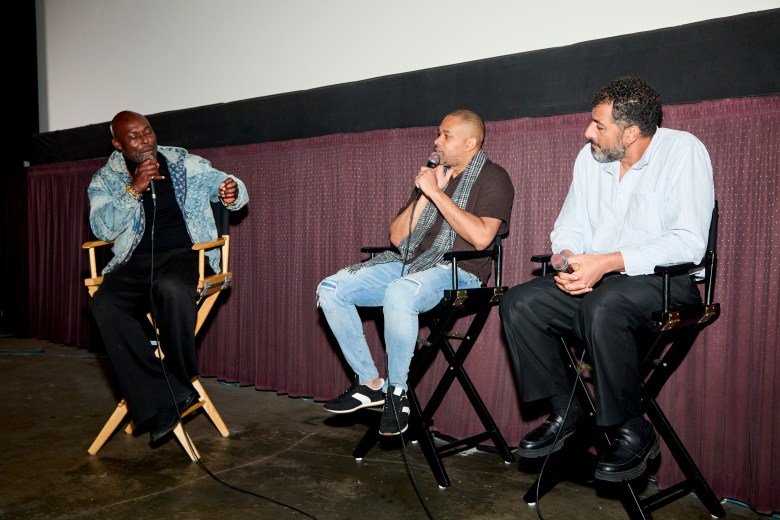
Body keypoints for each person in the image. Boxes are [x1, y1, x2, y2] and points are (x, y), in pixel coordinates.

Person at [499, 76, 714, 482]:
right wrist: (568, 259)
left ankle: (631, 428)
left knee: (604, 305)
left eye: (598, 125)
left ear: (631, 132)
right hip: (602, 281)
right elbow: (570, 226)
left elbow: (689, 243)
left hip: (666, 283)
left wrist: (608, 262)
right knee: (519, 303)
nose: (587, 132)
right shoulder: (590, 158)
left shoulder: (683, 151)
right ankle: (568, 410)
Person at [317, 109, 515, 436]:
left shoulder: (494, 177)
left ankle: (398, 393)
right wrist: (427, 193)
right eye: (438, 134)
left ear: (470, 143)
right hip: (411, 264)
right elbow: (397, 237)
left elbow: (481, 238)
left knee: (401, 291)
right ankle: (370, 383)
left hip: (460, 271)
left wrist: (437, 193)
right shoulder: (434, 175)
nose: (436, 141)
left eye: (445, 135)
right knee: (331, 289)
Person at [87, 110, 248, 444]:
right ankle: (171, 394)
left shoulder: (183, 162)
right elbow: (102, 227)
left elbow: (226, 184)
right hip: (134, 261)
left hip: (185, 255)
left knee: (172, 288)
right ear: (118, 144)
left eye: (147, 132)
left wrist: (231, 192)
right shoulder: (105, 179)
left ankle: (171, 385)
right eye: (134, 136)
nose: (145, 140)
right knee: (105, 303)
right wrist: (134, 189)